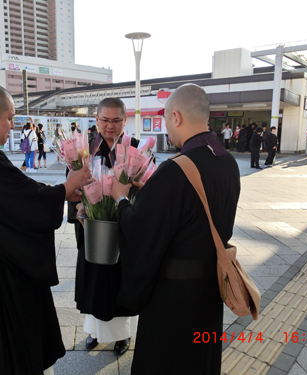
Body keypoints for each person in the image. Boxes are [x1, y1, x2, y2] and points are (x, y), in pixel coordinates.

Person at [0, 83, 91, 375]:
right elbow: (22, 200)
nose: (12, 126)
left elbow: (14, 192)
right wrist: (67, 186)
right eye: (9, 118)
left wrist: (60, 192)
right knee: (1, 351)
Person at [110, 83, 240, 374]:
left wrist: (121, 198)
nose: (167, 128)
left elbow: (142, 232)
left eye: (167, 120)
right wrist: (151, 194)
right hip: (210, 290)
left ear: (177, 117)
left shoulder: (175, 169)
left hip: (174, 297)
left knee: (168, 361)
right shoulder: (228, 162)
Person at [72, 98, 139, 356]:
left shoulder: (135, 148)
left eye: (116, 120)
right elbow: (73, 187)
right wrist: (78, 208)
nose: (110, 126)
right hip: (94, 232)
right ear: (96, 119)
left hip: (124, 232)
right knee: (96, 285)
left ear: (125, 120)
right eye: (105, 120)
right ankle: (95, 332)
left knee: (121, 285)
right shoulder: (85, 149)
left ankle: (123, 336)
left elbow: (148, 190)